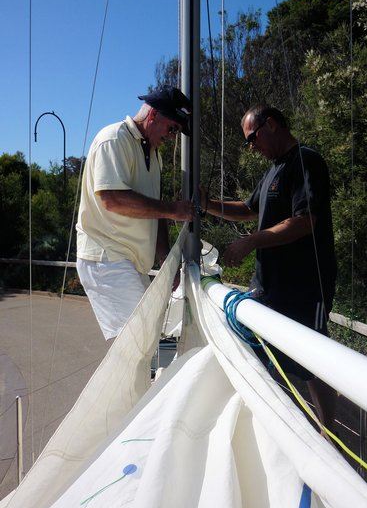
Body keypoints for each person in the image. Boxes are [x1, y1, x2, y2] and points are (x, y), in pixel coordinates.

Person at [201, 104, 337, 432]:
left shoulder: (306, 160)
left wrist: (251, 242)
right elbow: (248, 209)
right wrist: (207, 206)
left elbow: (305, 221)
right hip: (267, 286)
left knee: (311, 366)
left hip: (304, 287)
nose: (251, 146)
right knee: (260, 353)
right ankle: (268, 431)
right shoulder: (273, 170)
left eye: (252, 138)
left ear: (271, 124)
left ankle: (329, 437)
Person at [76, 85, 194, 340]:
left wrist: (164, 258)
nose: (172, 137)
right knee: (136, 345)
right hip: (106, 258)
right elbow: (112, 198)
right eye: (172, 128)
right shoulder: (114, 139)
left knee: (145, 342)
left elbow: (156, 210)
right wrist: (173, 210)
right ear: (153, 115)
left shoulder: (154, 155)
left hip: (130, 262)